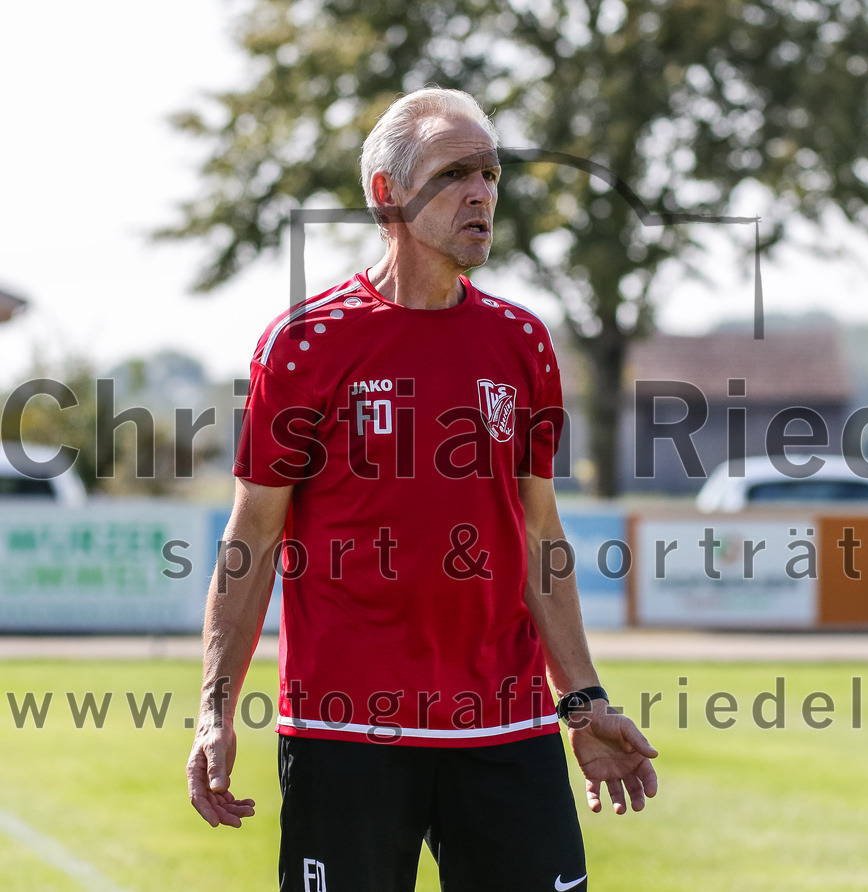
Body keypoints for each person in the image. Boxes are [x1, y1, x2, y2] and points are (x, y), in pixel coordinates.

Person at [186, 86, 658, 892]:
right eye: (455, 173)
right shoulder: (304, 345)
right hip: (345, 736)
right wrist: (214, 709)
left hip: (505, 728)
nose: (482, 192)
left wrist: (581, 699)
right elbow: (252, 537)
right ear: (388, 193)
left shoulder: (522, 343)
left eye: (491, 173)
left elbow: (540, 537)